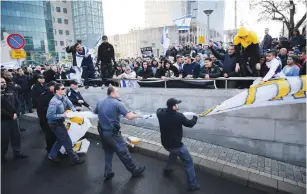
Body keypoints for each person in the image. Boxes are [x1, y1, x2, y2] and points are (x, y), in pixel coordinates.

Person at [94, 86, 145, 180]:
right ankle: (134, 170)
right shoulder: (117, 103)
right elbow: (129, 117)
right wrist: (138, 115)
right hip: (113, 133)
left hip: (102, 132)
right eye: (117, 91)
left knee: (108, 151)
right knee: (123, 151)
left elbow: (95, 111)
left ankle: (107, 171)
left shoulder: (100, 102)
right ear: (112, 93)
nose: (119, 93)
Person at [156, 98, 200, 191]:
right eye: (177, 104)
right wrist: (195, 117)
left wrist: (168, 109)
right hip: (177, 146)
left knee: (173, 153)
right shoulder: (179, 116)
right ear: (173, 106)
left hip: (165, 144)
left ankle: (167, 169)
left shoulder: (160, 114)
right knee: (188, 163)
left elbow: (159, 109)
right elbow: (190, 124)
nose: (178, 105)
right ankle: (192, 184)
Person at [46, 83, 85, 165]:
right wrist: (62, 115)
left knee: (60, 139)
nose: (64, 90)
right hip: (55, 123)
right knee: (67, 141)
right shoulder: (53, 101)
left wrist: (74, 110)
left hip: (60, 122)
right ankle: (74, 159)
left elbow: (69, 103)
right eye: (62, 88)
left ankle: (52, 155)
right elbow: (49, 115)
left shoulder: (64, 97)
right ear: (57, 91)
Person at [1, 77, 28, 164]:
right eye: (1, 82)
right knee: (3, 139)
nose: (4, 83)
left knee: (16, 136)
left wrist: (16, 113)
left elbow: (18, 103)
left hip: (14, 118)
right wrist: (11, 115)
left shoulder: (11, 91)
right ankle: (2, 156)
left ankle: (17, 152)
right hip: (3, 120)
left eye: (4, 82)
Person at [36, 81, 57, 153]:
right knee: (50, 135)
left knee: (54, 134)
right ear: (50, 87)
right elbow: (42, 108)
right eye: (55, 86)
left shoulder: (54, 95)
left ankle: (54, 149)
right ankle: (50, 150)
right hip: (47, 119)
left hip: (53, 118)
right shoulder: (45, 96)